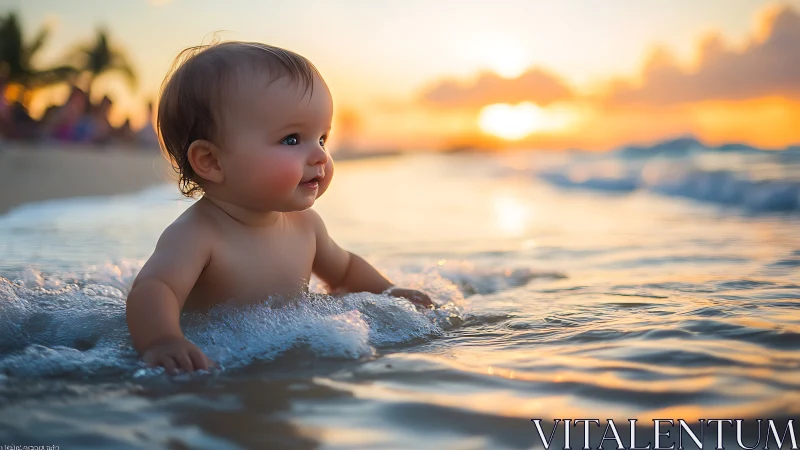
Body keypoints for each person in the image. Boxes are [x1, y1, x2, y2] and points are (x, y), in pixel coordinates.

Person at [125, 41, 434, 374]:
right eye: (292, 139)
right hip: (221, 364)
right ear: (211, 161)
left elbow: (345, 271)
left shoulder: (306, 225)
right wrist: (163, 341)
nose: (319, 156)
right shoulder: (198, 234)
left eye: (322, 138)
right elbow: (155, 288)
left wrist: (388, 292)